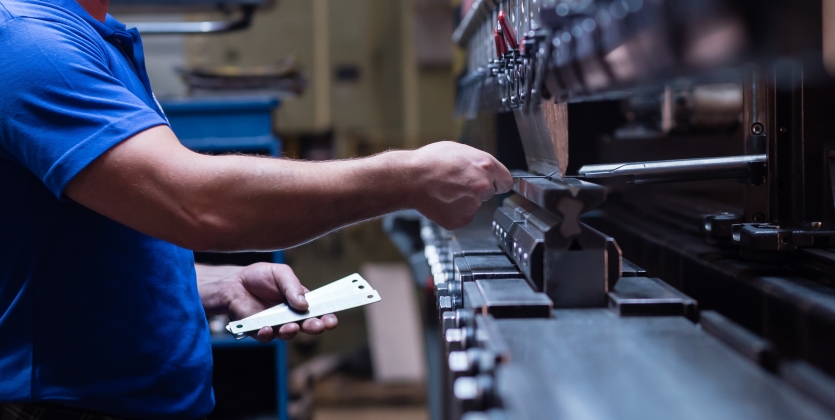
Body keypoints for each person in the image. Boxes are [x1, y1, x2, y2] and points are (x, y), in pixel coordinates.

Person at [0, 0, 514, 418]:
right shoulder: (30, 43)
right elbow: (198, 204)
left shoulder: (93, 36)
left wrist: (209, 283)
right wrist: (408, 178)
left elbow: (71, 245)